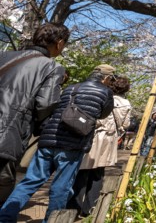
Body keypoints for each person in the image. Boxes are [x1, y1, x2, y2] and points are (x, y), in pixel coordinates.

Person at [0, 64, 114, 223]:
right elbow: (103, 114)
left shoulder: (71, 88)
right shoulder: (105, 92)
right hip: (73, 143)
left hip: (49, 139)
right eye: (111, 79)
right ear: (106, 78)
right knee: (61, 186)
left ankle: (4, 217)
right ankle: (52, 220)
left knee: (30, 181)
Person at [0, 23, 70, 204]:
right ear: (60, 43)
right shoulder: (52, 67)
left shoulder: (4, 56)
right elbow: (46, 103)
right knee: (3, 183)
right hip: (8, 134)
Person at [68, 74, 131, 217]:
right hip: (109, 139)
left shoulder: (104, 95)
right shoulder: (127, 104)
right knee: (98, 174)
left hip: (95, 136)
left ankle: (73, 207)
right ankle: (89, 209)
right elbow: (126, 124)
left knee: (82, 171)